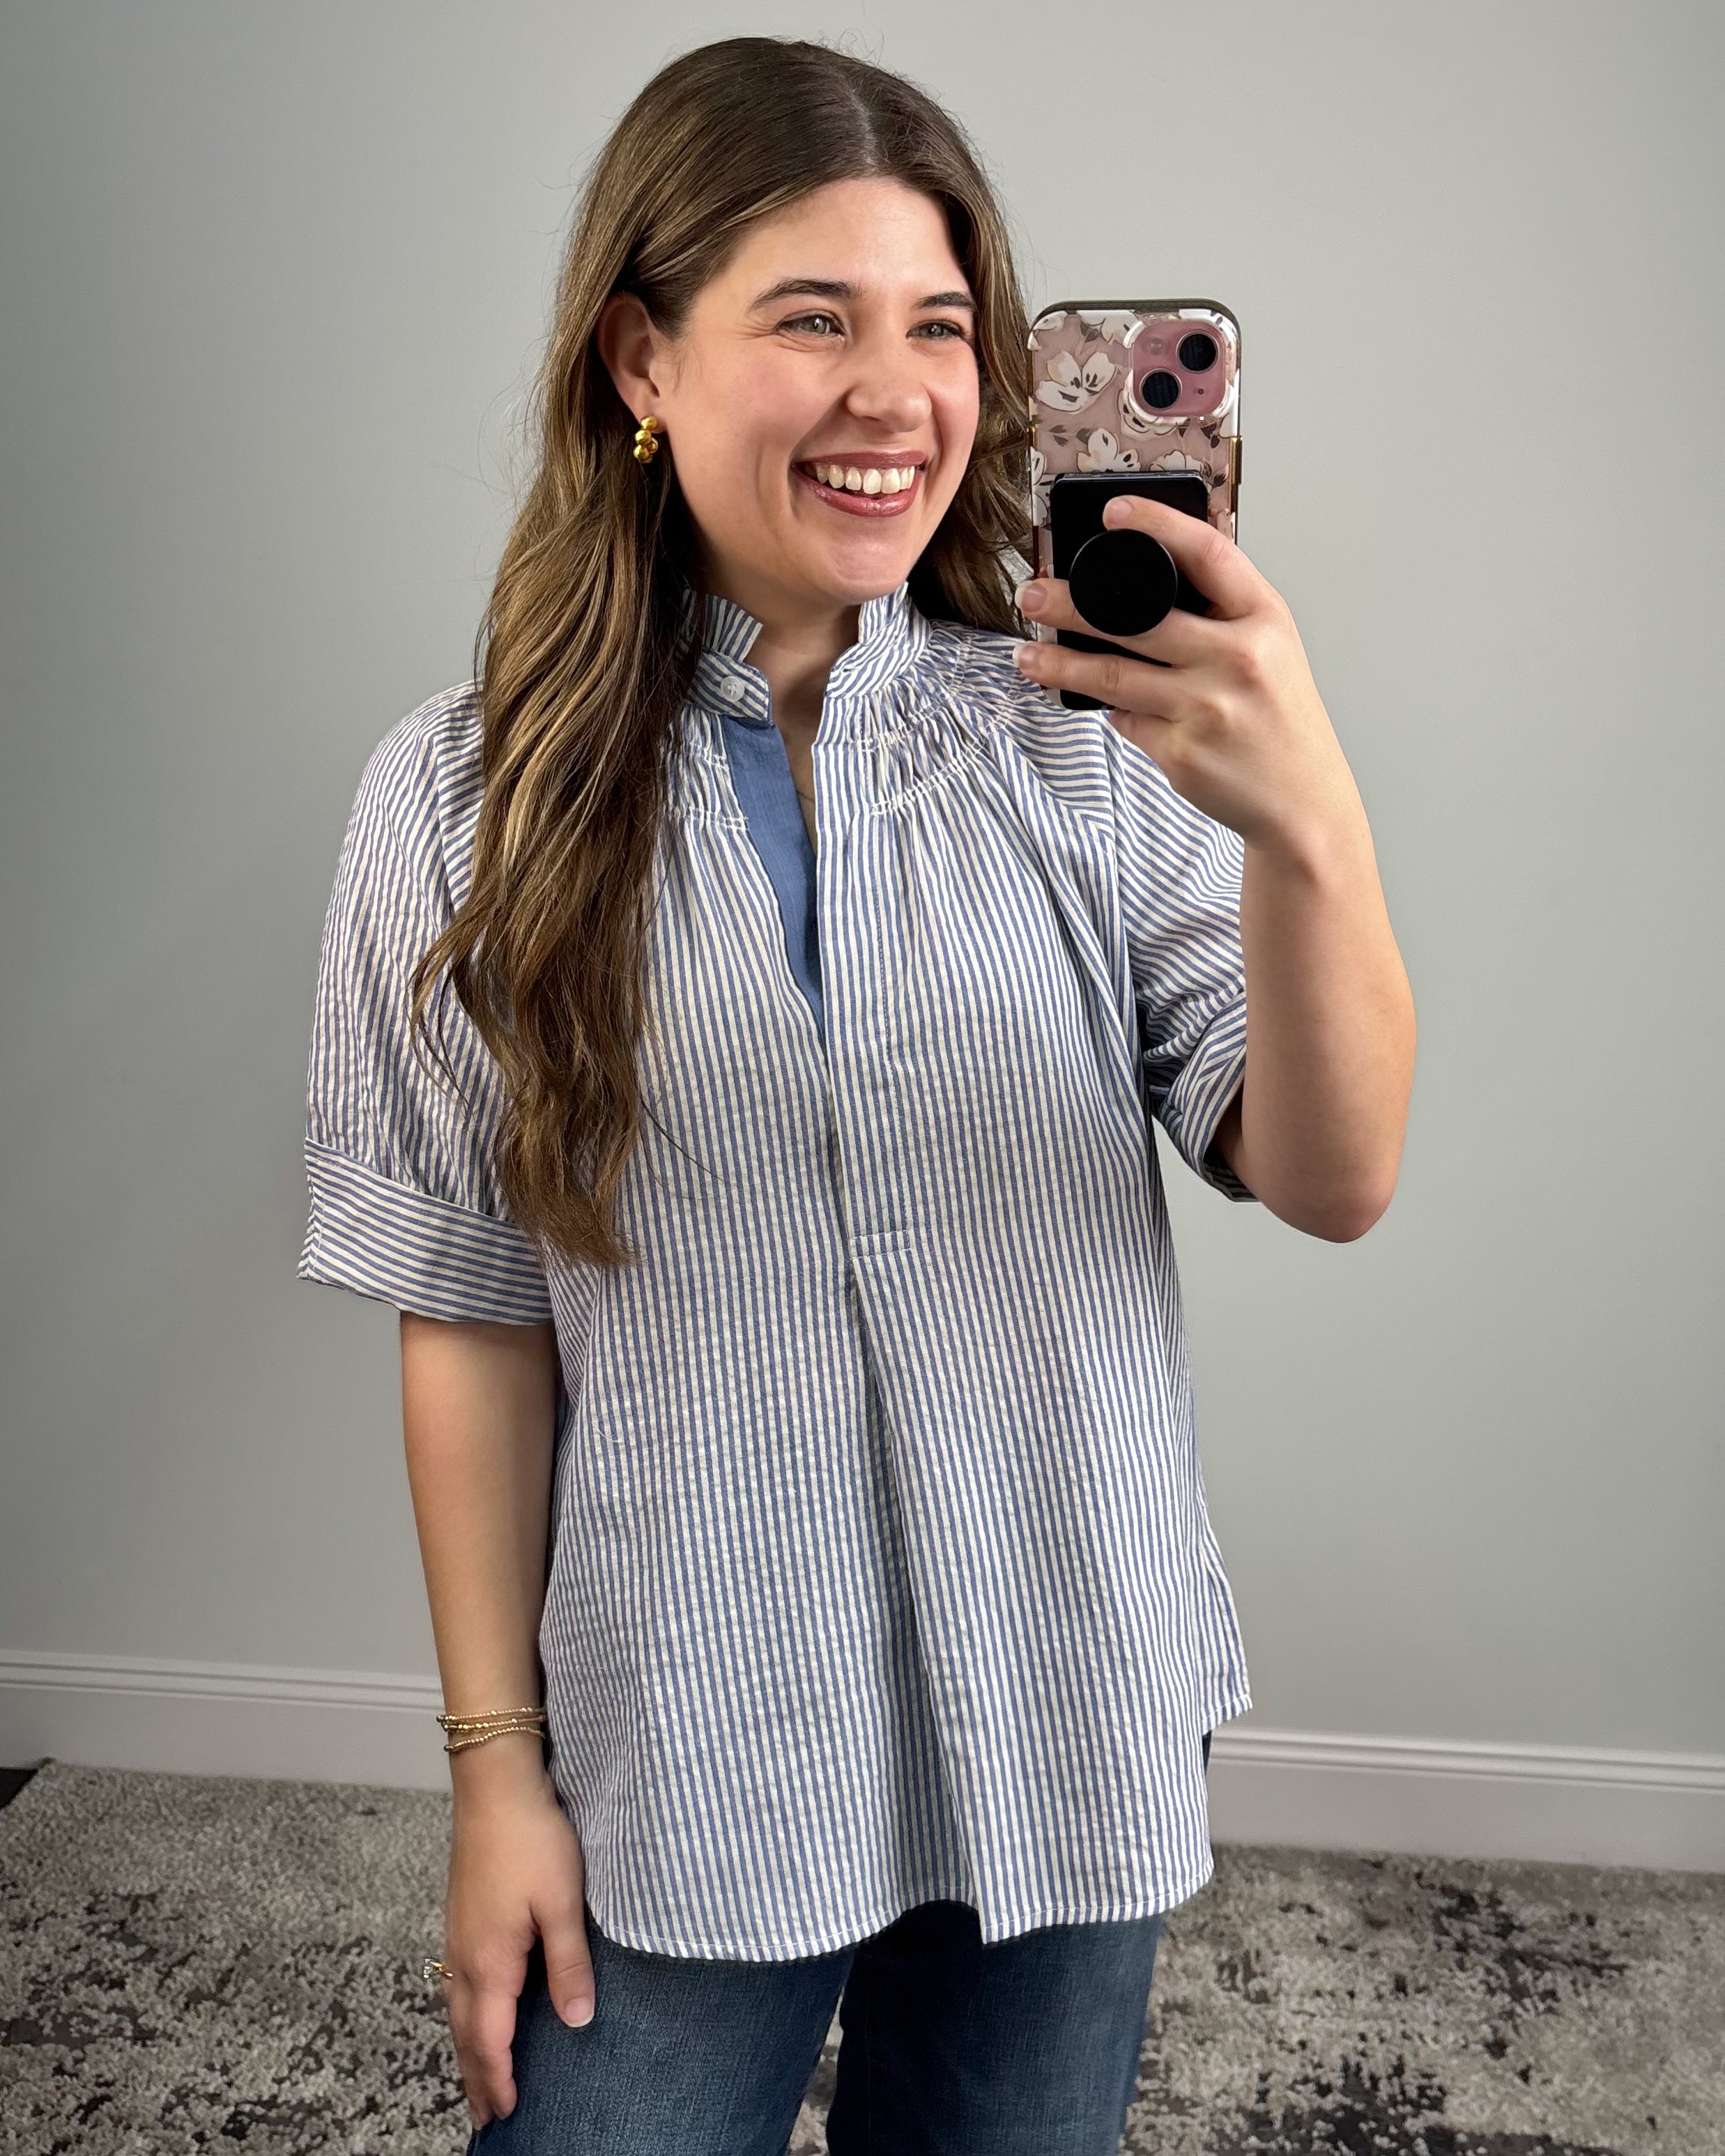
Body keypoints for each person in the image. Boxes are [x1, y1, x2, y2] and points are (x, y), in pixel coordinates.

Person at [296, 33, 1414, 2156]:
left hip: (1071, 1707)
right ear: (643, 357)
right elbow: (470, 1317)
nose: (894, 395)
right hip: (693, 1744)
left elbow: (1332, 1173)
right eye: (812, 319)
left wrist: (1311, 827)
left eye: (941, 329)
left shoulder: (1084, 741)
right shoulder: (456, 802)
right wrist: (493, 1772)